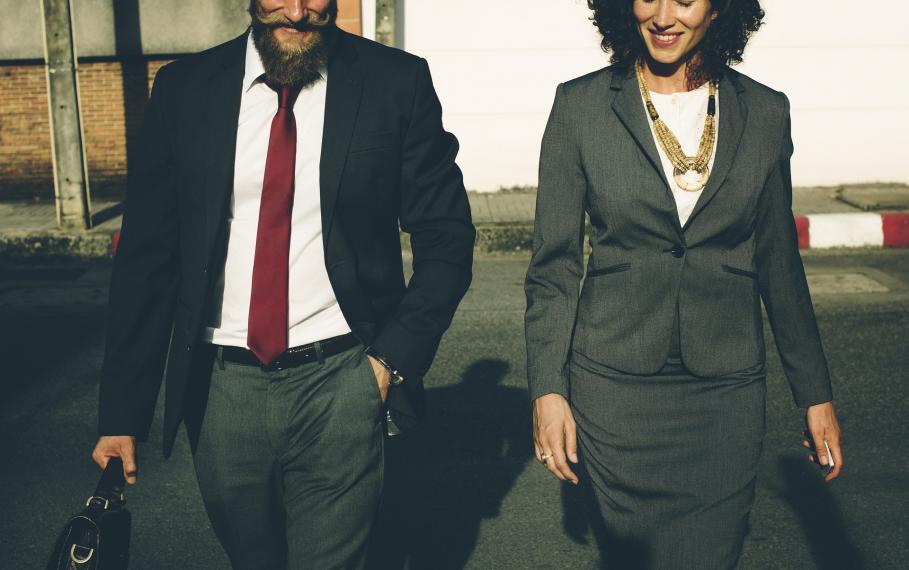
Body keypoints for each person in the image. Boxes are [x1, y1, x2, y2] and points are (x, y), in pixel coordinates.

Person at [90, 0, 475, 567]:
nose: (297, 10)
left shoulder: (395, 82)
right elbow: (148, 259)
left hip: (342, 379)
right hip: (222, 391)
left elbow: (447, 238)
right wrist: (121, 416)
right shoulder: (184, 90)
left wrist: (388, 363)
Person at [525, 0, 843, 567]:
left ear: (720, 10)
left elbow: (779, 262)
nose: (664, 15)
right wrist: (548, 389)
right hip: (614, 388)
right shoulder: (580, 106)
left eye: (686, 0)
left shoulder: (766, 112)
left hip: (724, 393)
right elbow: (554, 267)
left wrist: (814, 394)